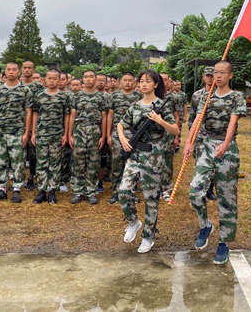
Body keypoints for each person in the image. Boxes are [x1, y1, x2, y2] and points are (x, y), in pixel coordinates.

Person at [183, 61, 246, 265]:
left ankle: (224, 243)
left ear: (230, 75)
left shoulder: (236, 96)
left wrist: (226, 144)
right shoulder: (206, 96)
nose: (217, 76)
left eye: (222, 73)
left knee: (226, 198)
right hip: (207, 145)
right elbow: (198, 119)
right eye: (215, 73)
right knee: (195, 190)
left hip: (227, 149)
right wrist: (188, 141)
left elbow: (233, 122)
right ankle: (205, 225)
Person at [117, 70, 179, 253]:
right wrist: (123, 139)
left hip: (154, 155)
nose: (143, 84)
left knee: (151, 198)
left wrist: (160, 121)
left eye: (148, 81)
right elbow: (121, 124)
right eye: (141, 81)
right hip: (135, 153)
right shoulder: (135, 106)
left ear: (156, 84)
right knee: (123, 191)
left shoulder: (161, 105)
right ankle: (133, 222)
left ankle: (148, 236)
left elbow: (175, 130)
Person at [0, 62, 33, 203]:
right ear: (5, 72)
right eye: (9, 69)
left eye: (14, 69)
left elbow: (28, 112)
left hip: (17, 131)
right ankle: (1, 188)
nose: (11, 72)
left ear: (19, 72)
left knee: (18, 160)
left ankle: (17, 189)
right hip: (0, 131)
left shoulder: (25, 90)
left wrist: (26, 133)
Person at [31, 69, 70, 204]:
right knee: (41, 163)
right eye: (50, 78)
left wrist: (65, 134)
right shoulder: (39, 95)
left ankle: (52, 190)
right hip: (42, 134)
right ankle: (41, 191)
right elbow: (35, 113)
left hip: (57, 135)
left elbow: (67, 115)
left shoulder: (64, 96)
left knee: (55, 164)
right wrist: (34, 132)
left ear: (59, 80)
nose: (52, 81)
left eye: (55, 78)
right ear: (44, 80)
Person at [68, 70, 106, 205]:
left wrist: (103, 135)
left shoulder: (101, 97)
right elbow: (72, 116)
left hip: (95, 129)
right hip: (79, 129)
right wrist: (69, 135)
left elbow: (104, 117)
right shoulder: (76, 97)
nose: (88, 79)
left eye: (91, 77)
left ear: (95, 79)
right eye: (86, 77)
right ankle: (78, 191)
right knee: (78, 162)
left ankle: (91, 191)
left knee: (93, 162)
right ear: (82, 80)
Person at [106, 72, 141, 205]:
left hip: (134, 135)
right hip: (117, 134)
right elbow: (110, 116)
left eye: (130, 80)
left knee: (132, 164)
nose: (127, 83)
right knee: (117, 162)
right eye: (125, 80)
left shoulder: (139, 96)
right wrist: (108, 134)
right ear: (120, 82)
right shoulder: (114, 96)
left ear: (134, 82)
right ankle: (116, 191)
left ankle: (130, 191)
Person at [189, 67, 216, 200]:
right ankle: (200, 188)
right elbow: (192, 115)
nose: (210, 78)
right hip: (200, 134)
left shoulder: (219, 93)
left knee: (214, 162)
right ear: (204, 78)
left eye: (212, 75)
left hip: (214, 134)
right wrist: (191, 134)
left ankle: (210, 189)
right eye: (208, 76)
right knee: (199, 161)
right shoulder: (196, 95)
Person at [22, 61, 45, 191]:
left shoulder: (39, 87)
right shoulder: (17, 86)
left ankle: (31, 176)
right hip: (18, 124)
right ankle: (18, 180)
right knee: (19, 154)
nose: (27, 70)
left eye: (29, 68)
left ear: (33, 69)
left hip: (34, 125)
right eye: (24, 68)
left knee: (33, 154)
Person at [159, 73, 180, 201]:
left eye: (165, 79)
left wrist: (176, 136)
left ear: (169, 82)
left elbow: (176, 116)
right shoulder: (152, 95)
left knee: (167, 162)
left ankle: (166, 188)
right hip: (154, 135)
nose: (163, 82)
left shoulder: (173, 98)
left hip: (168, 134)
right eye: (160, 79)